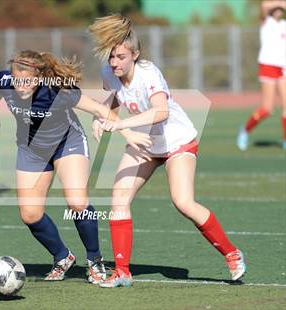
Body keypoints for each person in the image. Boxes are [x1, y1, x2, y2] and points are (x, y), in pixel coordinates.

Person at [88, 14, 247, 288]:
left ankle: (231, 253)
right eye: (111, 57)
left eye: (121, 57)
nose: (115, 62)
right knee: (118, 199)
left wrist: (122, 124)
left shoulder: (148, 74)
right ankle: (122, 271)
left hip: (176, 141)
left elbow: (160, 112)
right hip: (146, 144)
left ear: (135, 55)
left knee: (183, 202)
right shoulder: (109, 74)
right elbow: (115, 97)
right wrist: (102, 117)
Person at [0, 50, 151, 283]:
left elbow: (99, 109)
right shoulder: (5, 81)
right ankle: (62, 256)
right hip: (31, 150)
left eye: (27, 80)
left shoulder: (58, 91)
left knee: (77, 202)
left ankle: (94, 260)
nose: (20, 86)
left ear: (40, 77)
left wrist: (128, 132)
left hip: (67, 143)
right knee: (30, 214)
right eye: (16, 79)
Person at [237, 1, 286, 150]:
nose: (278, 10)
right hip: (268, 66)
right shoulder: (266, 22)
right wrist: (280, 3)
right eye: (276, 8)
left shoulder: (283, 24)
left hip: (283, 67)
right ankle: (245, 131)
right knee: (267, 109)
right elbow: (264, 6)